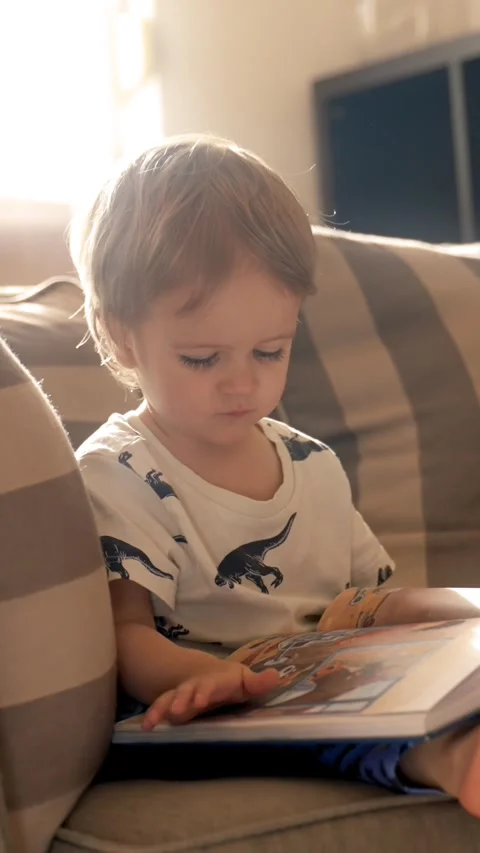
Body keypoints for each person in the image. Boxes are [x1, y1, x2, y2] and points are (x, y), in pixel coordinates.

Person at [72, 134, 480, 817]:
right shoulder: (119, 471)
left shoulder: (311, 463)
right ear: (121, 336)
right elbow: (126, 635)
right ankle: (453, 760)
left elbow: (362, 604)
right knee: (402, 741)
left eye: (270, 350)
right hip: (205, 710)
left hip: (329, 680)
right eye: (203, 358)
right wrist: (210, 678)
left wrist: (457, 607)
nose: (242, 382)